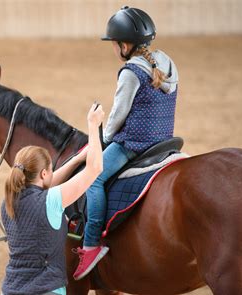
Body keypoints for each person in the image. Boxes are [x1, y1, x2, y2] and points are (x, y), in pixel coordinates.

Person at [73, 6, 179, 280]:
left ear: (124, 45)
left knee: (93, 178)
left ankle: (91, 243)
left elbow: (118, 115)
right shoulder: (167, 62)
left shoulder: (131, 72)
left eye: (114, 44)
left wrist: (102, 140)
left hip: (135, 144)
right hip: (164, 140)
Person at [0, 103, 105, 295]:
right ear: (43, 173)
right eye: (50, 171)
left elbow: (45, 184)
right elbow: (95, 169)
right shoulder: (52, 201)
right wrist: (93, 125)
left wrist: (75, 160)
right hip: (46, 291)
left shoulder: (8, 200)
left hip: (10, 290)